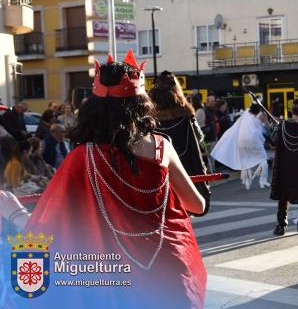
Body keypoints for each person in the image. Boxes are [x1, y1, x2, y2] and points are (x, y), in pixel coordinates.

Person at [22, 52, 207, 309]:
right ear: (142, 103)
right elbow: (197, 206)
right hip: (170, 276)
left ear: (92, 109)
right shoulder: (162, 147)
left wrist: (12, 214)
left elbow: (49, 223)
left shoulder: (80, 158)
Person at [150, 70, 211, 213]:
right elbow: (199, 137)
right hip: (185, 166)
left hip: (158, 168)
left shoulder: (149, 116)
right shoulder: (186, 113)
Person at [271, 97, 298, 236]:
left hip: (284, 167)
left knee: (283, 195)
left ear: (291, 110)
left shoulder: (282, 126)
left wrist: (277, 127)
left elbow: (272, 142)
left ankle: (280, 226)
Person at [211, 103, 270, 189]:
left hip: (242, 141)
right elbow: (267, 127)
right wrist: (265, 119)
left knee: (245, 161)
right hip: (254, 141)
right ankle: (262, 181)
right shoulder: (261, 116)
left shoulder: (245, 115)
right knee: (263, 159)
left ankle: (247, 182)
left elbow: (236, 127)